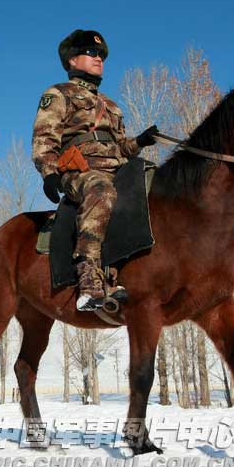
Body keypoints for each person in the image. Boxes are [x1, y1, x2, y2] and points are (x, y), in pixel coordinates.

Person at [32, 29, 159, 311]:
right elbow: (45, 138)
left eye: (101, 55)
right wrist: (49, 173)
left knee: (157, 183)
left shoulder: (111, 106)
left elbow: (120, 147)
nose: (99, 58)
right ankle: (89, 277)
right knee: (101, 190)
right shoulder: (57, 94)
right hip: (81, 172)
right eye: (91, 53)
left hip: (117, 168)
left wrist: (139, 142)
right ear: (72, 60)